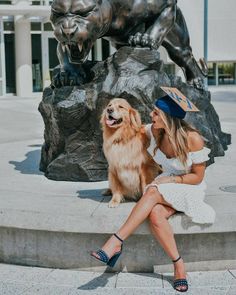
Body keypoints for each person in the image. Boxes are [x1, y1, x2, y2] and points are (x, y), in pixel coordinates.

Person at [90, 89, 216, 292]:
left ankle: (115, 242)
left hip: (188, 186)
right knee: (156, 215)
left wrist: (171, 179)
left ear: (168, 117)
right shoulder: (154, 131)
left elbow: (198, 177)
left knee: (152, 191)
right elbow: (130, 129)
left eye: (156, 112)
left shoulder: (193, 139)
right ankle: (178, 264)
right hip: (165, 185)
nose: (151, 115)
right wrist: (112, 125)